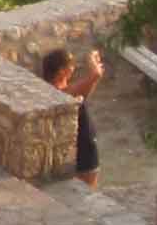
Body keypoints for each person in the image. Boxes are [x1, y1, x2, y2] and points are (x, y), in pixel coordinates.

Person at [36, 44, 107, 187]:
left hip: (78, 145)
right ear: (62, 71)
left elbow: (84, 93)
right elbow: (96, 74)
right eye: (71, 66)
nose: (73, 69)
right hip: (84, 147)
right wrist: (91, 59)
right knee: (87, 191)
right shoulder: (62, 92)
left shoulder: (52, 90)